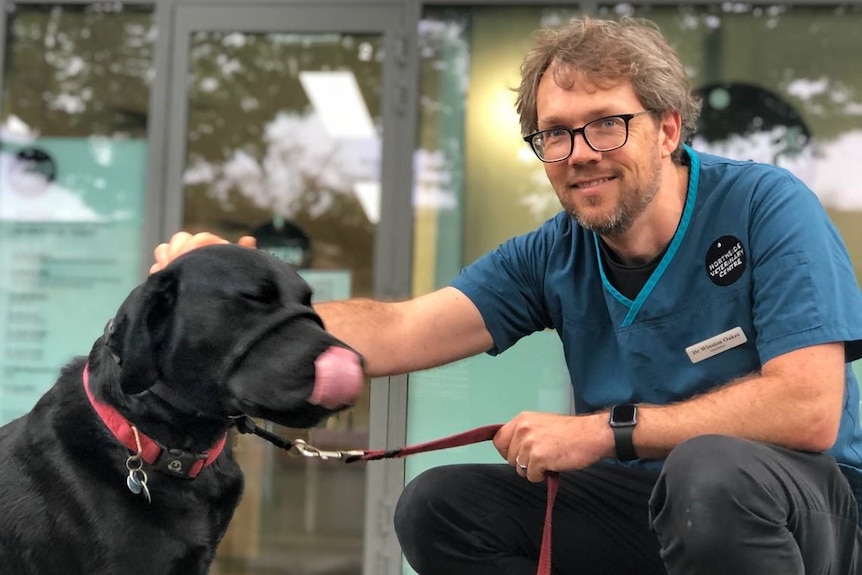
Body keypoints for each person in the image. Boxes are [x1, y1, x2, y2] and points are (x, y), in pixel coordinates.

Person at [152, 16, 862, 575]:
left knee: (708, 471)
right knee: (439, 507)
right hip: (653, 510)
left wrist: (601, 430)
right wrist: (241, 302)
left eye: (606, 123)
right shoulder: (554, 253)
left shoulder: (767, 207)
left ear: (668, 126)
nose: (579, 151)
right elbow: (401, 328)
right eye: (554, 134)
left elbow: (808, 407)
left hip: (805, 511)